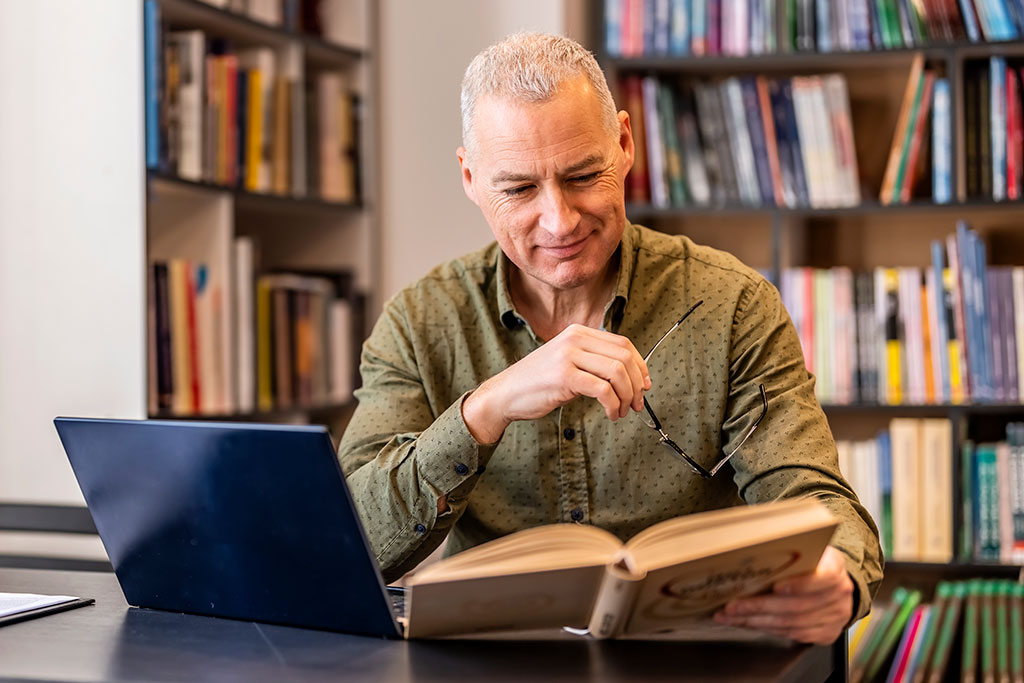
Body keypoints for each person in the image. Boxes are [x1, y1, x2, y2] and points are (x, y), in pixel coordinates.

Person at [338, 32, 882, 645]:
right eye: (518, 189)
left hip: (691, 658)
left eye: (582, 175)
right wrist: (482, 411)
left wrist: (839, 575)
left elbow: (812, 494)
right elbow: (349, 547)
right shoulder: (418, 323)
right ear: (470, 176)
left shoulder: (733, 304)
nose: (560, 220)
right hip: (494, 664)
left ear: (624, 145)